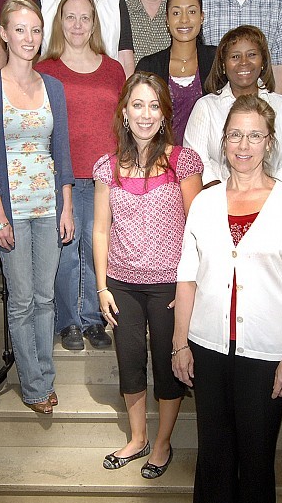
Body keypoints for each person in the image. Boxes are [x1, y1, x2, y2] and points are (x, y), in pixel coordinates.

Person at [173, 95, 282, 503]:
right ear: (223, 140)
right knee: (213, 457)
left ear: (270, 142)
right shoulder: (204, 202)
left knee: (256, 460)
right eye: (235, 134)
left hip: (265, 353)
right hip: (208, 347)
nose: (243, 144)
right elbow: (187, 277)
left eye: (255, 135)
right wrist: (179, 343)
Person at [94, 72, 203, 478]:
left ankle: (162, 444)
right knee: (130, 362)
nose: (145, 114)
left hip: (168, 286)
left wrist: (189, 285)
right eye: (137, 105)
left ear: (164, 113)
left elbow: (197, 226)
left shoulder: (182, 161)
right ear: (124, 111)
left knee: (169, 363)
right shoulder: (107, 167)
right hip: (122, 283)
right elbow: (100, 229)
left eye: (154, 106)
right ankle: (138, 438)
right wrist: (102, 285)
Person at [0, 0, 74, 414]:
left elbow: (62, 151)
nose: (29, 38)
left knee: (46, 297)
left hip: (49, 205)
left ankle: (44, 377)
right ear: (4, 33)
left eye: (35, 30)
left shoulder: (53, 86)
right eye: (20, 29)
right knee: (21, 300)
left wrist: (67, 205)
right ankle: (33, 386)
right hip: (10, 210)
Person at [37, 0, 123, 351]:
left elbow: (124, 121)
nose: (77, 25)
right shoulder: (46, 69)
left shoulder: (113, 68)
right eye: (70, 17)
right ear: (60, 22)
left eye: (84, 18)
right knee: (66, 251)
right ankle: (68, 321)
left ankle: (92, 320)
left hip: (104, 176)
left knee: (95, 248)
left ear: (94, 23)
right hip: (62, 177)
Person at [183, 25, 282, 188]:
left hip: (274, 201)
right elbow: (195, 159)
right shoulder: (206, 106)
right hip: (218, 201)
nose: (244, 62)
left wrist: (270, 196)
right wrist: (225, 197)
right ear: (223, 65)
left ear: (263, 62)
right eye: (235, 56)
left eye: (252, 55)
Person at [136, 0, 217, 141]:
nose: (184, 19)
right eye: (176, 13)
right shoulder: (149, 67)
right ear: (167, 19)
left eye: (192, 12)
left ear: (202, 17)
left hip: (209, 161)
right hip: (161, 159)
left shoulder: (217, 61)